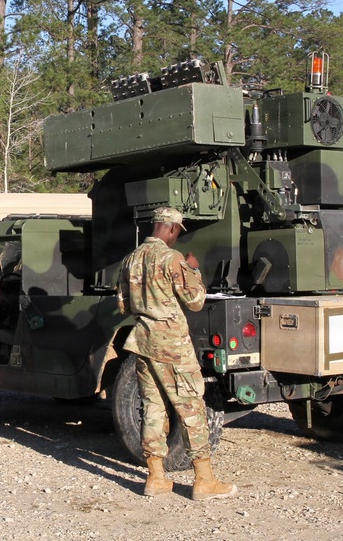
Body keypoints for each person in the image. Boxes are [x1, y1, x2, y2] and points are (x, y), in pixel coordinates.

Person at [117, 207, 237, 501]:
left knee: (154, 408)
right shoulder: (173, 259)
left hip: (142, 341)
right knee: (191, 407)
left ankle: (156, 477)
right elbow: (195, 301)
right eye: (177, 232)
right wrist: (193, 270)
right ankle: (204, 481)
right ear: (171, 229)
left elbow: (123, 305)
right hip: (171, 345)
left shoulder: (130, 259)